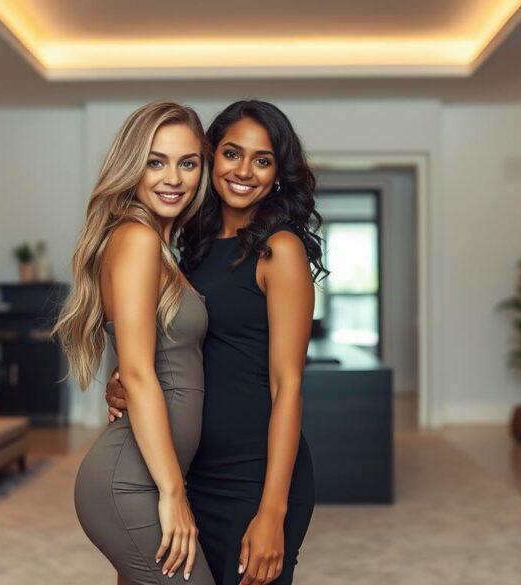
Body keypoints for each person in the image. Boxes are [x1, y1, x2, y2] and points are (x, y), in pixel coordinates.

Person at [106, 100, 327, 585]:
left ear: (277, 173)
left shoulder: (280, 249)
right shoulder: (189, 245)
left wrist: (272, 511)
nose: (244, 171)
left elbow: (287, 387)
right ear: (210, 158)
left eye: (262, 160)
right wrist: (122, 381)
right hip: (189, 471)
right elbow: (175, 348)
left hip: (253, 476)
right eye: (232, 153)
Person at [55, 101, 214, 584]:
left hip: (148, 474)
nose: (173, 178)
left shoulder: (164, 248)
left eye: (187, 163)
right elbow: (140, 370)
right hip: (131, 480)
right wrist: (173, 493)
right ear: (132, 166)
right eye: (156, 161)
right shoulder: (137, 239)